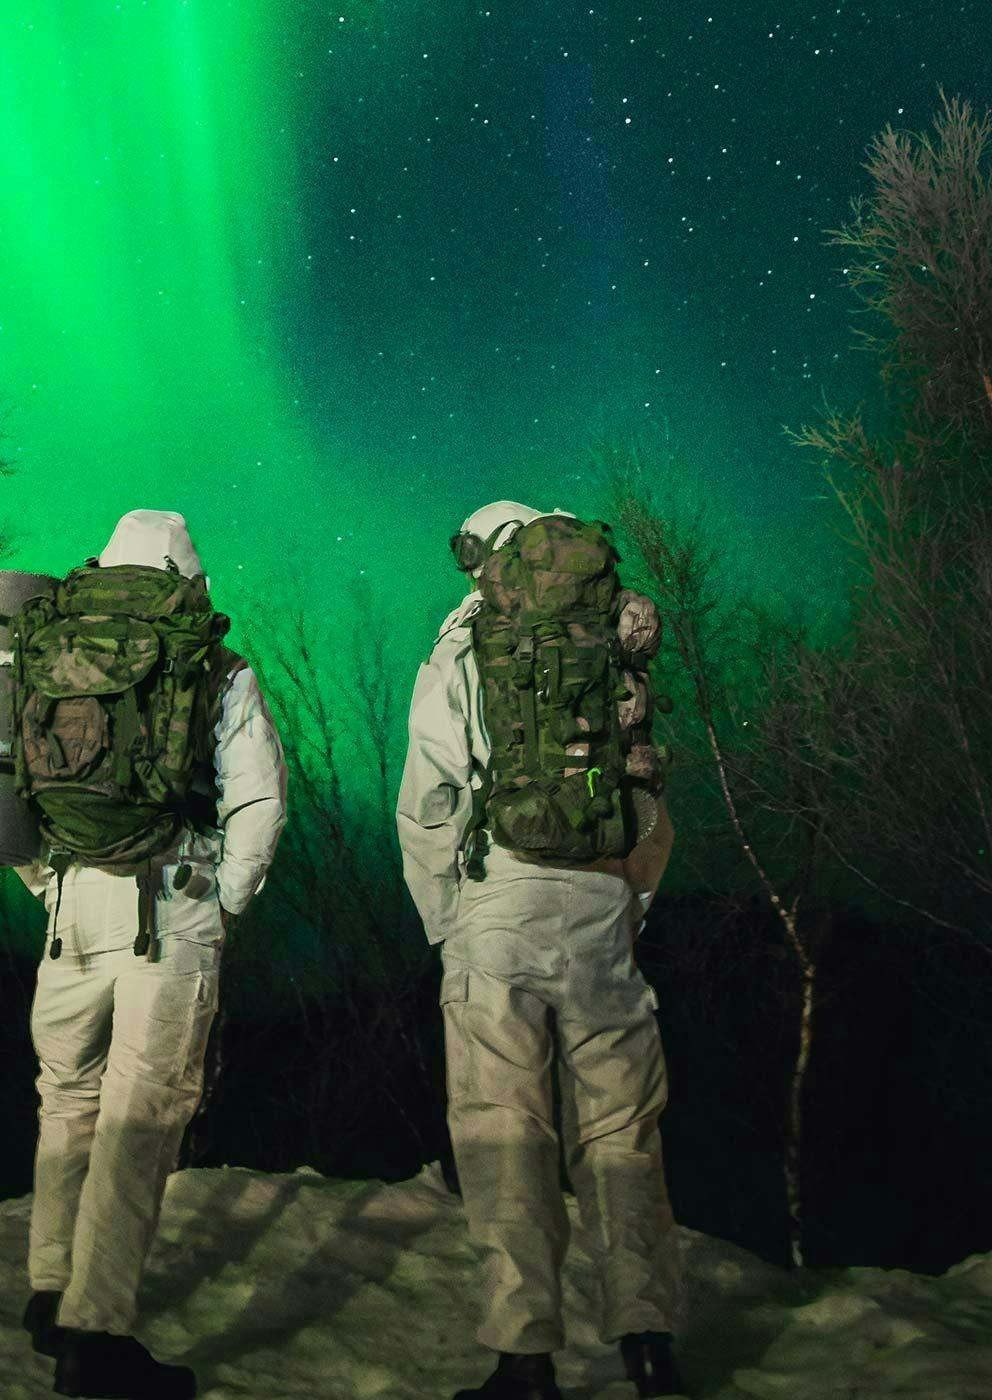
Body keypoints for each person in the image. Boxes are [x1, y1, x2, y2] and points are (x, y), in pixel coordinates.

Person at [396, 501, 685, 1400]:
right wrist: (628, 903)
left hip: (497, 903)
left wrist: (446, 922)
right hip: (601, 898)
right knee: (622, 1129)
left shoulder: (462, 647)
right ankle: (649, 1344)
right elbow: (648, 802)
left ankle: (523, 1357)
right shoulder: (610, 643)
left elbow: (429, 799)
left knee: (502, 1127)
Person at [13, 509, 288, 1400]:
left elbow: (3, 781)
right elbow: (259, 802)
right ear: (188, 579)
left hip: (69, 908)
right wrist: (225, 897)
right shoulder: (212, 663)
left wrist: (48, 885)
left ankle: (50, 1288)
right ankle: (96, 1334)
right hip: (169, 904)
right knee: (140, 1115)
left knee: (67, 1096)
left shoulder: (47, 648)